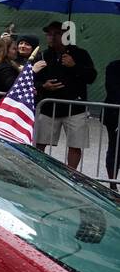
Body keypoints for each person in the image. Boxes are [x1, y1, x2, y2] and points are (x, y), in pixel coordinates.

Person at [33, 21, 97, 171]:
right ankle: (38, 170)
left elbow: (92, 77)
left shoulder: (80, 54)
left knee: (75, 145)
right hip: (49, 107)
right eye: (49, 34)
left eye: (57, 33)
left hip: (74, 108)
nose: (53, 37)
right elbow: (33, 79)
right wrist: (44, 85)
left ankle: (71, 174)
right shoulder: (43, 55)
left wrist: (74, 66)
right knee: (40, 142)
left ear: (65, 35)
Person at [102, 59, 120, 182]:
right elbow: (113, 90)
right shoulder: (114, 66)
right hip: (114, 114)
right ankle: (113, 185)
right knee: (114, 147)